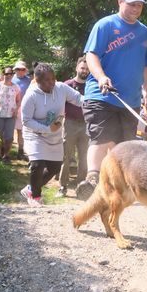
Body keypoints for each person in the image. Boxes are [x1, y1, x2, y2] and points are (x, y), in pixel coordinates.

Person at [75, 0, 147, 201]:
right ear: (120, 1)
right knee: (101, 136)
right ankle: (91, 179)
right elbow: (91, 56)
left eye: (139, 5)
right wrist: (101, 77)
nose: (135, 9)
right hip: (101, 94)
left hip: (130, 99)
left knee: (122, 145)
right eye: (131, 4)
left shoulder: (144, 31)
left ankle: (113, 185)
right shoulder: (105, 25)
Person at [19, 62, 83, 207]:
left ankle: (30, 188)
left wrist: (92, 104)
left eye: (53, 79)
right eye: (47, 80)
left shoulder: (60, 88)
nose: (52, 82)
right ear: (38, 80)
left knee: (54, 167)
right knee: (37, 163)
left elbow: (78, 99)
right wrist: (48, 128)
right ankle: (35, 197)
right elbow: (26, 121)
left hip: (54, 135)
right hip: (34, 134)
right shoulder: (31, 96)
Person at [56, 57, 90, 197]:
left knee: (84, 157)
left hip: (87, 124)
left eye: (87, 69)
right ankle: (62, 187)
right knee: (66, 155)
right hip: (70, 123)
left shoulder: (91, 85)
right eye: (82, 68)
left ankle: (80, 186)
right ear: (77, 68)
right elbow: (59, 103)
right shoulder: (67, 84)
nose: (84, 71)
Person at [12, 60, 32, 160]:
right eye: (18, 69)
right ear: (15, 70)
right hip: (11, 107)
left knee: (21, 131)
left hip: (24, 108)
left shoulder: (29, 80)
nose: (20, 71)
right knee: (8, 129)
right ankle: (4, 149)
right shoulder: (11, 79)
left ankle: (20, 151)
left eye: (22, 69)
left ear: (25, 70)